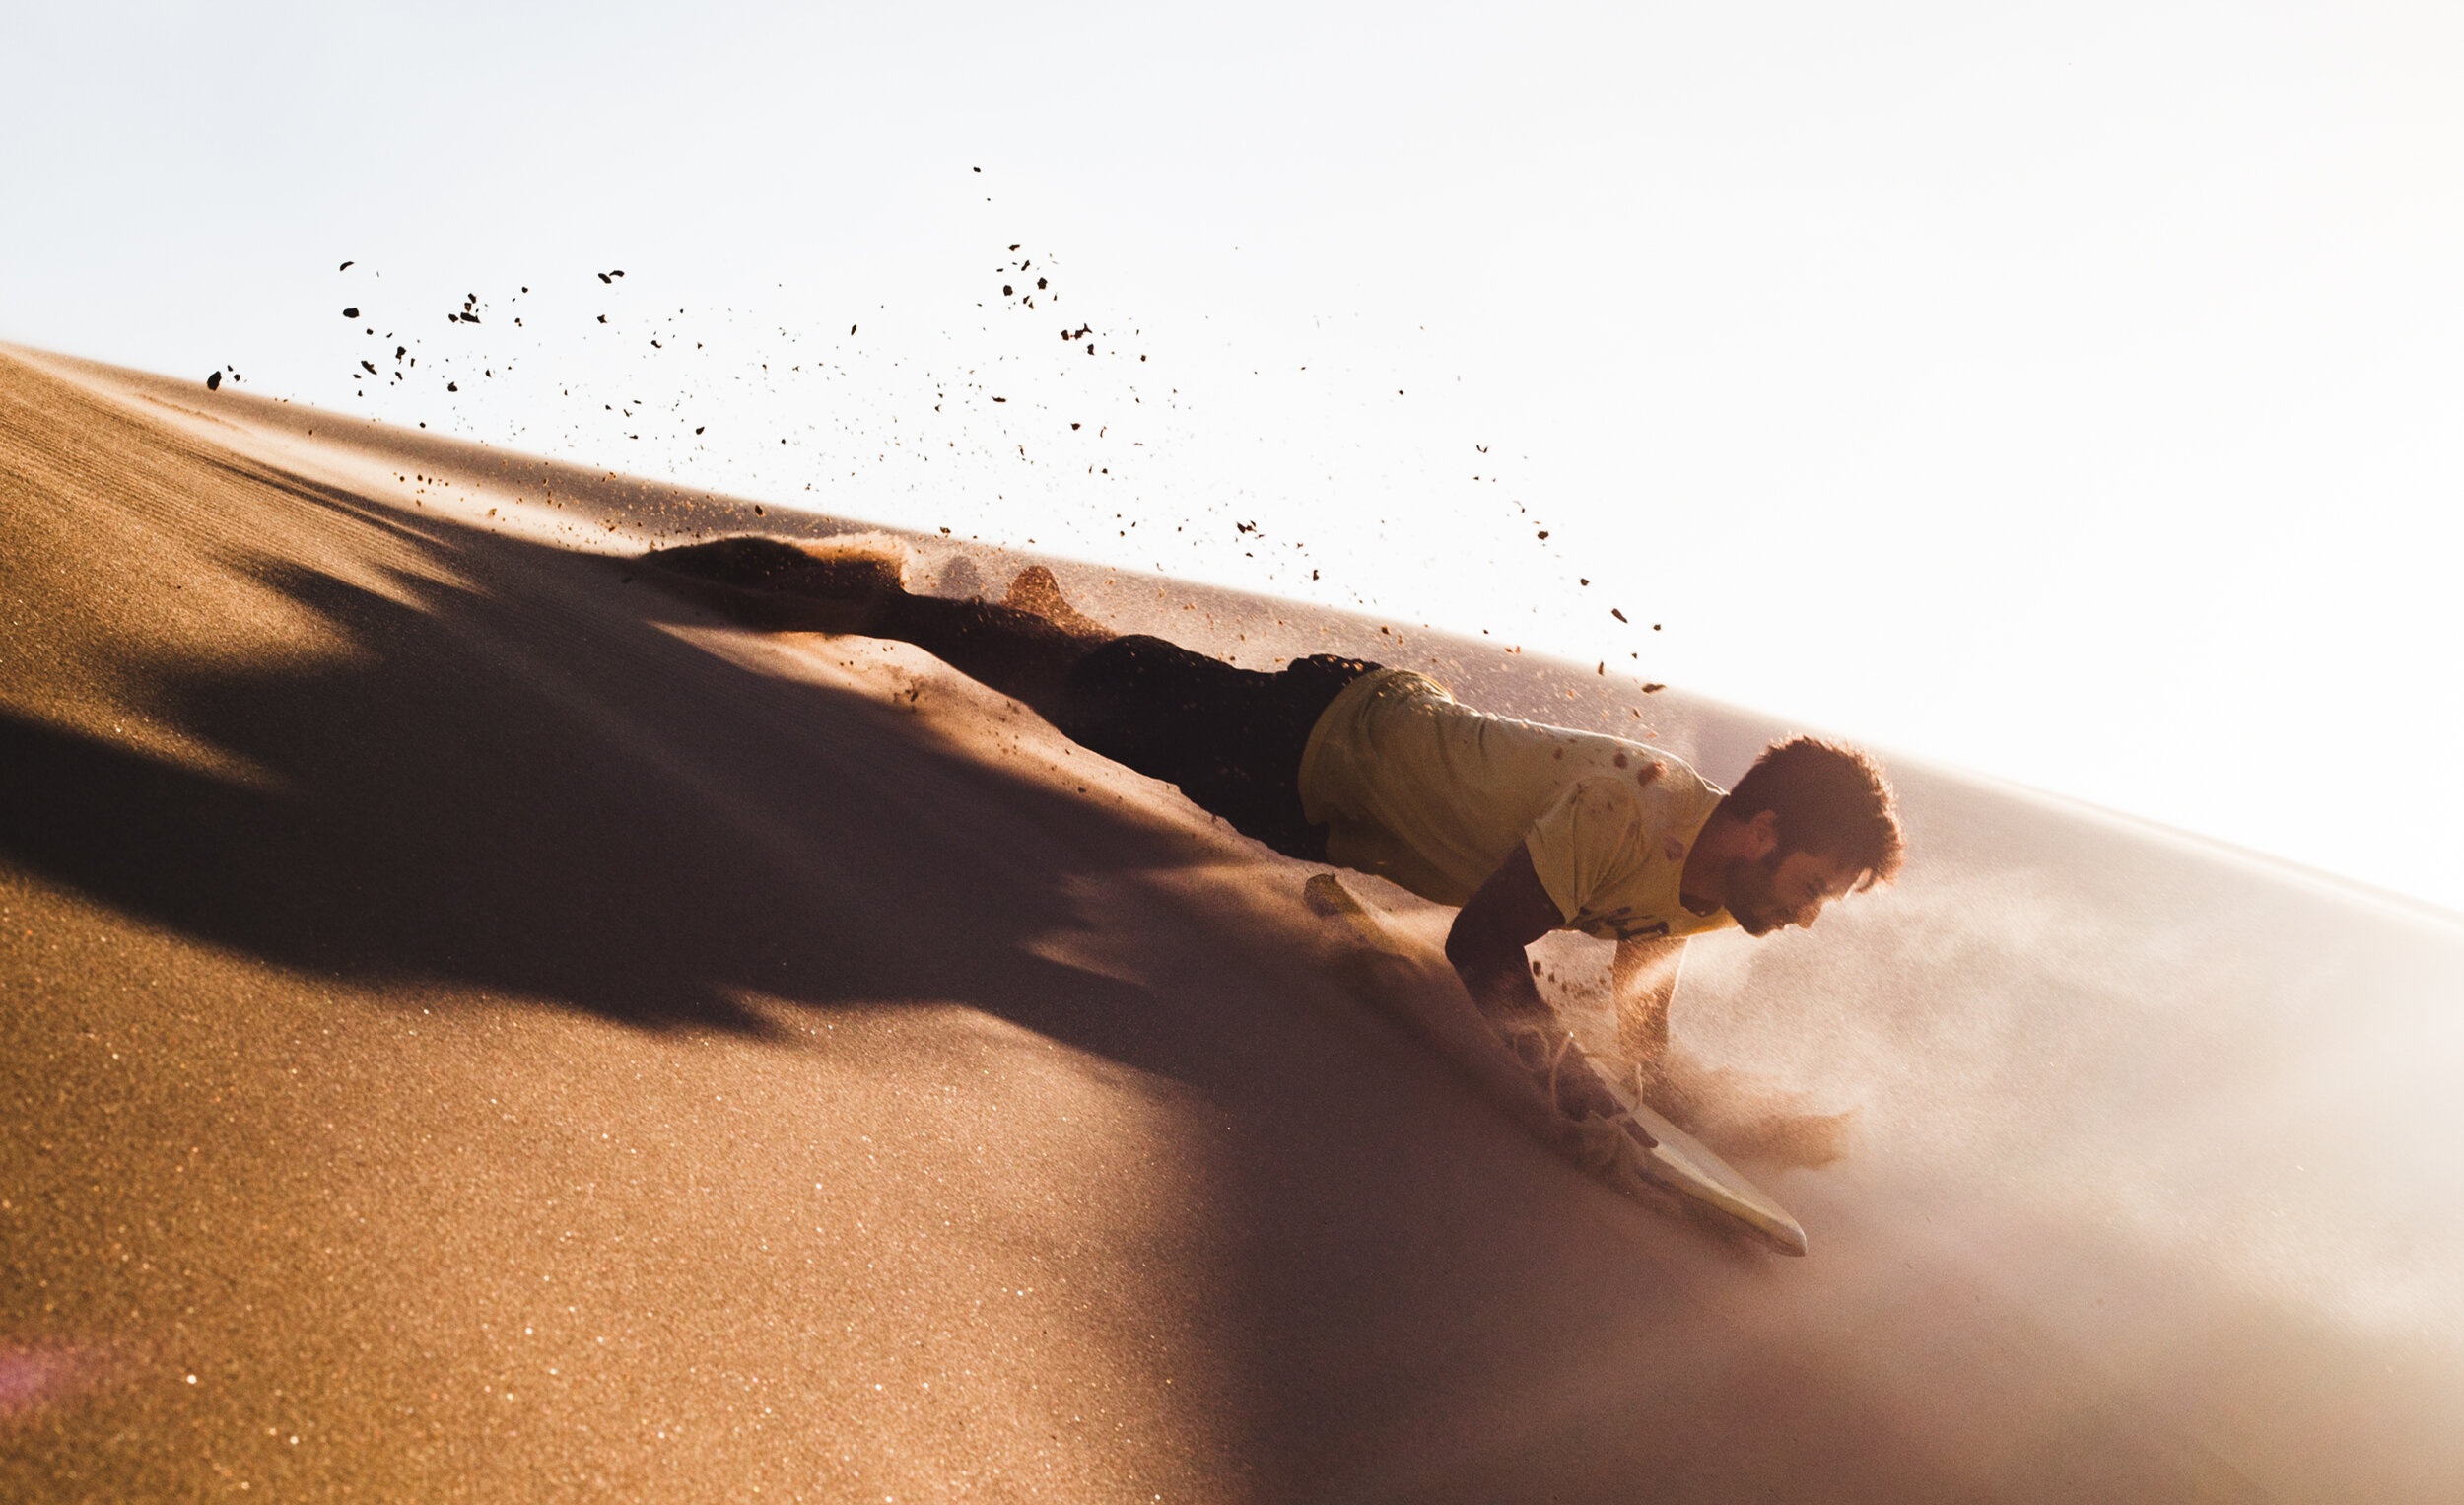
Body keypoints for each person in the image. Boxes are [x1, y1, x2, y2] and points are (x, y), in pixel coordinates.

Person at [636, 534, 1903, 1169]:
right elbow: (1482, 942)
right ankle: (846, 588)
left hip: (1307, 806)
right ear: (1762, 827)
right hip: (1321, 731)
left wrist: (1737, 1123)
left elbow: (1639, 1034)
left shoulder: (1698, 903)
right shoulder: (1637, 805)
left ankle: (1048, 619)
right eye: (1811, 884)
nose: (1803, 914)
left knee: (1100, 700)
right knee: (1036, 679)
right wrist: (1568, 1092)